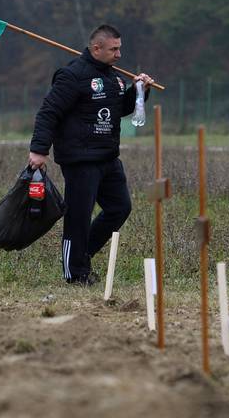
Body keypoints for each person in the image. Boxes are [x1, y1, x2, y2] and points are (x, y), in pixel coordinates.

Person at [28, 24, 153, 285]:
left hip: (108, 157)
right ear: (96, 48)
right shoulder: (72, 76)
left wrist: (139, 90)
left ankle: (82, 256)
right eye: (114, 49)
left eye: (120, 48)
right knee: (79, 217)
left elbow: (122, 109)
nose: (119, 54)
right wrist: (39, 150)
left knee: (120, 208)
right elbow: (49, 112)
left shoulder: (114, 77)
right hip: (80, 159)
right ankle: (74, 273)